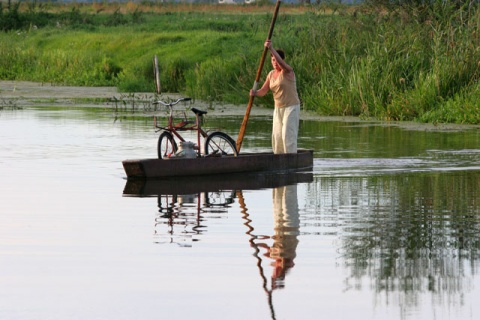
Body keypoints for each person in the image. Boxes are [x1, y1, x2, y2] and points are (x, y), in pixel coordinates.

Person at [250, 40, 301, 154]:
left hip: (291, 107)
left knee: (287, 135)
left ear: (281, 60)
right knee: (277, 137)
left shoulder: (288, 71)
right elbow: (263, 91)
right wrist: (255, 93)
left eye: (277, 60)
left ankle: (291, 159)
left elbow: (282, 65)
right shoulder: (271, 74)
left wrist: (271, 48)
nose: (275, 63)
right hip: (278, 109)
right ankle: (279, 160)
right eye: (273, 60)